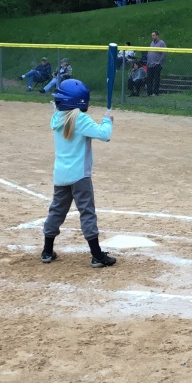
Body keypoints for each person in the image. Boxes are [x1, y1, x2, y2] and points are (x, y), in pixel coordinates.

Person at [41, 79, 117, 268]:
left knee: (57, 211)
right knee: (87, 213)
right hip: (80, 176)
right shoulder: (79, 119)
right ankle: (97, 255)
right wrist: (108, 120)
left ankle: (47, 251)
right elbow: (104, 134)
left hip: (61, 176)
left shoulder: (57, 118)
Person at [146, 30, 166, 96]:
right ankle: (149, 92)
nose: (152, 36)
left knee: (156, 78)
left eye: (154, 35)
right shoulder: (152, 43)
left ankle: (155, 92)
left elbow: (164, 53)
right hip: (150, 64)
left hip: (157, 64)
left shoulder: (161, 43)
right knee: (149, 78)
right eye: (152, 35)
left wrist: (159, 62)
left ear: (157, 36)